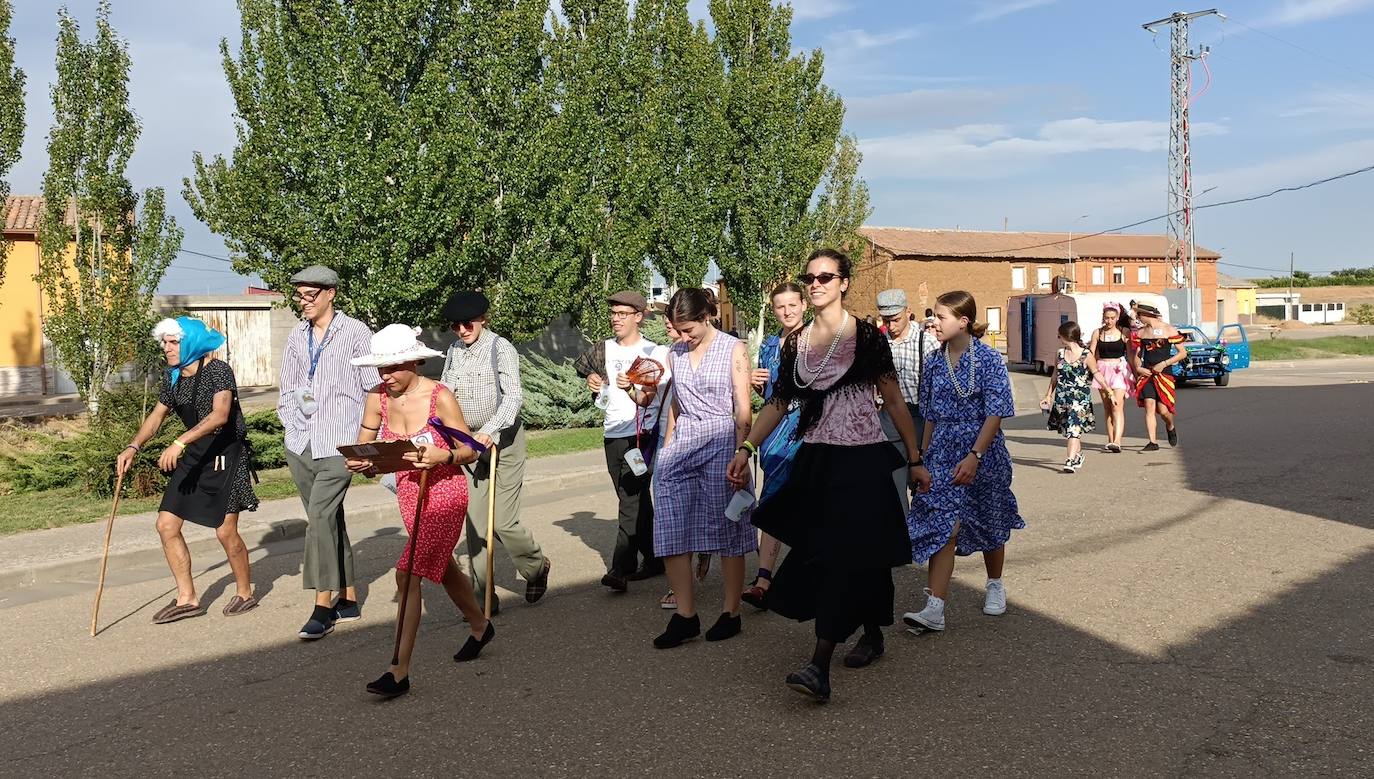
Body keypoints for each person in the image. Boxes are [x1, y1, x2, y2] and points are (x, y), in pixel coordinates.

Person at [728, 249, 920, 703]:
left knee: (843, 554)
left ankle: (819, 666)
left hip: (862, 459)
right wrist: (746, 446)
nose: (816, 284)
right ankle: (872, 631)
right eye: (810, 277)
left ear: (845, 283)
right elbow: (777, 403)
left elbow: (893, 401)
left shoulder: (868, 337)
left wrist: (914, 458)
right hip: (816, 457)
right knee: (848, 553)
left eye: (825, 277)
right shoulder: (795, 344)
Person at [344, 325, 491, 699]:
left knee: (407, 574)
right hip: (409, 492)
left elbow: (471, 450)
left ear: (414, 361)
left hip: (445, 490)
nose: (385, 376)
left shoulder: (439, 396)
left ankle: (399, 670)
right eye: (380, 368)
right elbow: (367, 450)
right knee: (441, 567)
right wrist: (364, 464)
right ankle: (480, 625)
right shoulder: (376, 397)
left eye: (392, 367)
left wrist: (446, 455)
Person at [118, 316, 258, 623]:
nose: (166, 348)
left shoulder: (217, 370)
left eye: (173, 342)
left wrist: (180, 441)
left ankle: (245, 591)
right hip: (195, 455)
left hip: (226, 456)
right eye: (164, 342)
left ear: (191, 342)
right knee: (166, 526)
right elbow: (156, 418)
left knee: (225, 531)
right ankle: (187, 598)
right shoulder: (173, 378)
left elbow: (220, 415)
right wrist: (133, 446)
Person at [904, 290, 1024, 635]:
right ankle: (934, 608)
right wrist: (920, 458)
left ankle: (995, 583)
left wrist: (975, 455)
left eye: (941, 317)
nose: (934, 323)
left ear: (963, 321)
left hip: (982, 451)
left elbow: (996, 411)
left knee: (989, 516)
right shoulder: (933, 361)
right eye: (934, 317)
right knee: (943, 524)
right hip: (942, 451)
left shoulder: (987, 359)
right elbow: (928, 414)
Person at [651, 288, 756, 648]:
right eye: (677, 330)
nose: (682, 337)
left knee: (727, 525)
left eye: (688, 330)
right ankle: (685, 616)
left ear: (706, 316)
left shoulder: (733, 348)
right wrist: (667, 447)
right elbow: (676, 403)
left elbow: (743, 407)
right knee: (669, 523)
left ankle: (731, 612)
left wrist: (742, 452)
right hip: (684, 442)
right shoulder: (674, 352)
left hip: (722, 439)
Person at [277, 265, 378, 640]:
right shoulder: (296, 336)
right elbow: (288, 386)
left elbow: (373, 389)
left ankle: (323, 605)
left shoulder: (355, 333)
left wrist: (366, 442)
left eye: (309, 295)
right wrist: (290, 423)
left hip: (339, 443)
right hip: (301, 442)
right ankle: (349, 597)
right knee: (329, 518)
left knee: (318, 516)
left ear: (330, 293)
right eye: (299, 296)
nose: (302, 303)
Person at [440, 291, 551, 613]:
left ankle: (536, 566)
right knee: (476, 524)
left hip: (504, 440)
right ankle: (482, 599)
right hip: (469, 444)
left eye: (467, 324)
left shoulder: (500, 347)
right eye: (455, 325)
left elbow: (514, 397)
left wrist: (490, 430)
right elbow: (446, 390)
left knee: (502, 522)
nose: (461, 330)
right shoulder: (454, 351)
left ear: (483, 319)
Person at [575, 290, 671, 592]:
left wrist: (632, 389)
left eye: (622, 314)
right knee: (634, 498)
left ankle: (621, 566)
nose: (616, 319)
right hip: (612, 432)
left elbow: (648, 398)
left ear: (639, 316)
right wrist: (593, 383)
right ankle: (655, 558)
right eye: (613, 314)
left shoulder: (654, 352)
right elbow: (592, 380)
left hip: (641, 434)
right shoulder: (603, 349)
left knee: (630, 498)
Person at [741, 281, 808, 610]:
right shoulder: (769, 345)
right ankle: (764, 579)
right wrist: (756, 383)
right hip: (772, 433)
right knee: (772, 500)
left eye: (793, 305)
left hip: (807, 429)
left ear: (803, 305)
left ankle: (802, 575)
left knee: (807, 501)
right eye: (781, 307)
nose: (787, 311)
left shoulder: (815, 339)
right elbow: (767, 396)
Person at [877, 288, 934, 513]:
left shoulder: (928, 344)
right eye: (886, 320)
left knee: (924, 489)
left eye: (896, 319)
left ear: (908, 312)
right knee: (893, 491)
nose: (890, 326)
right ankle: (902, 541)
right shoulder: (878, 344)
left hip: (921, 419)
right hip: (888, 422)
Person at [1041, 321, 1097, 472]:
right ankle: (1078, 455)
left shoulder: (1086, 355)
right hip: (1063, 397)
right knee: (1069, 430)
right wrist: (1048, 395)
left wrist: (1109, 391)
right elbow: (1055, 376)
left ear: (1067, 336)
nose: (1058, 337)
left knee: (1073, 428)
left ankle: (1070, 461)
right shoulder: (1059, 353)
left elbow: (1096, 373)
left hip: (1080, 399)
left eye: (1060, 335)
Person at [1129, 302, 1185, 451]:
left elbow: (1182, 353)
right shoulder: (1140, 333)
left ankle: (1170, 425)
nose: (1138, 318)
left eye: (1139, 315)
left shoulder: (1168, 329)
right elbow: (1138, 355)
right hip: (1147, 373)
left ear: (1147, 315)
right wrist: (1138, 367)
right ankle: (1152, 442)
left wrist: (1164, 363)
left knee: (1163, 411)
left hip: (1164, 374)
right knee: (1149, 405)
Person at [1087, 303, 1134, 452]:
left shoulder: (1124, 332)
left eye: (1112, 318)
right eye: (1106, 318)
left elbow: (1131, 355)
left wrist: (1136, 373)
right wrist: (1092, 370)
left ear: (1118, 317)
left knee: (1117, 406)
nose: (1109, 321)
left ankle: (1118, 441)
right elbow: (1091, 354)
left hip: (1119, 370)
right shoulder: (1097, 333)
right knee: (1107, 407)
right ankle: (1111, 439)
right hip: (1102, 371)